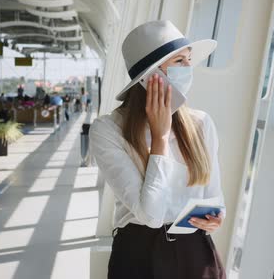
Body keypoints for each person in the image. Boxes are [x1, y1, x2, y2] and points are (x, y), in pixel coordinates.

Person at [89, 20, 224, 278]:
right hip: (138, 256)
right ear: (151, 77)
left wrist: (217, 217)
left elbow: (215, 195)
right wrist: (160, 138)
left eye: (188, 60)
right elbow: (151, 216)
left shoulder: (201, 123)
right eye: (179, 62)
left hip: (195, 252)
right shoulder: (107, 130)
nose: (189, 68)